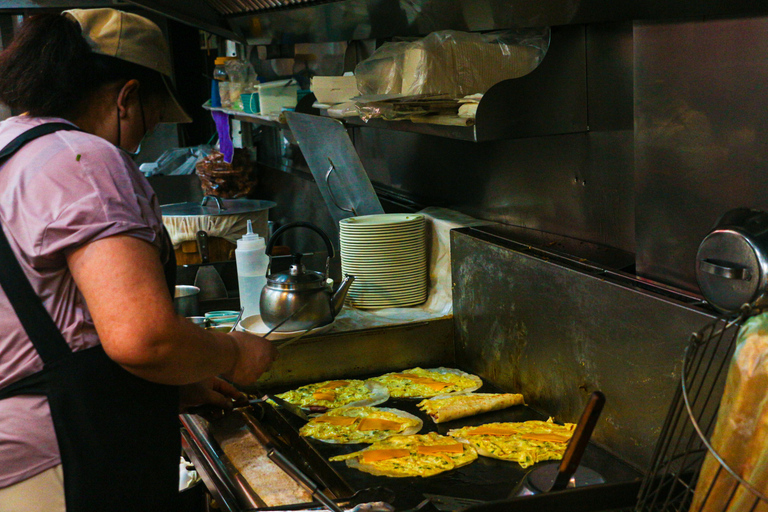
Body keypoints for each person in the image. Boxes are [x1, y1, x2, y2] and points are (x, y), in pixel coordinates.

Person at [0, 8, 277, 512]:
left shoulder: (9, 148)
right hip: (58, 461)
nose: (139, 140)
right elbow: (143, 338)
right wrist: (235, 353)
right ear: (126, 97)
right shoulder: (85, 159)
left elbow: (47, 323)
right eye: (148, 121)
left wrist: (171, 384)